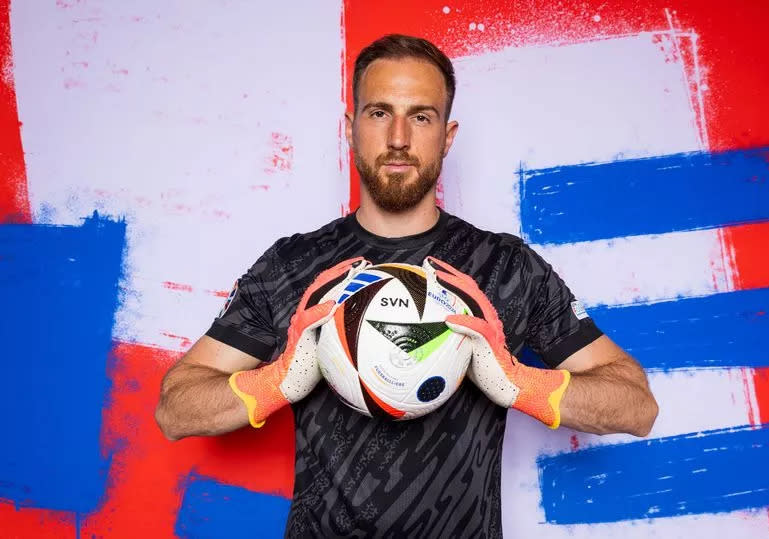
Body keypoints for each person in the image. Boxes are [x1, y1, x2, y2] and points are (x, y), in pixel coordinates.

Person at [155, 34, 659, 538]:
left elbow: (636, 406)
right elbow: (175, 409)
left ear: (447, 135)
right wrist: (280, 381)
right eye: (379, 114)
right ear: (351, 130)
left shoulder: (506, 266)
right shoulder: (294, 264)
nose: (398, 137)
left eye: (421, 116)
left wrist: (516, 383)